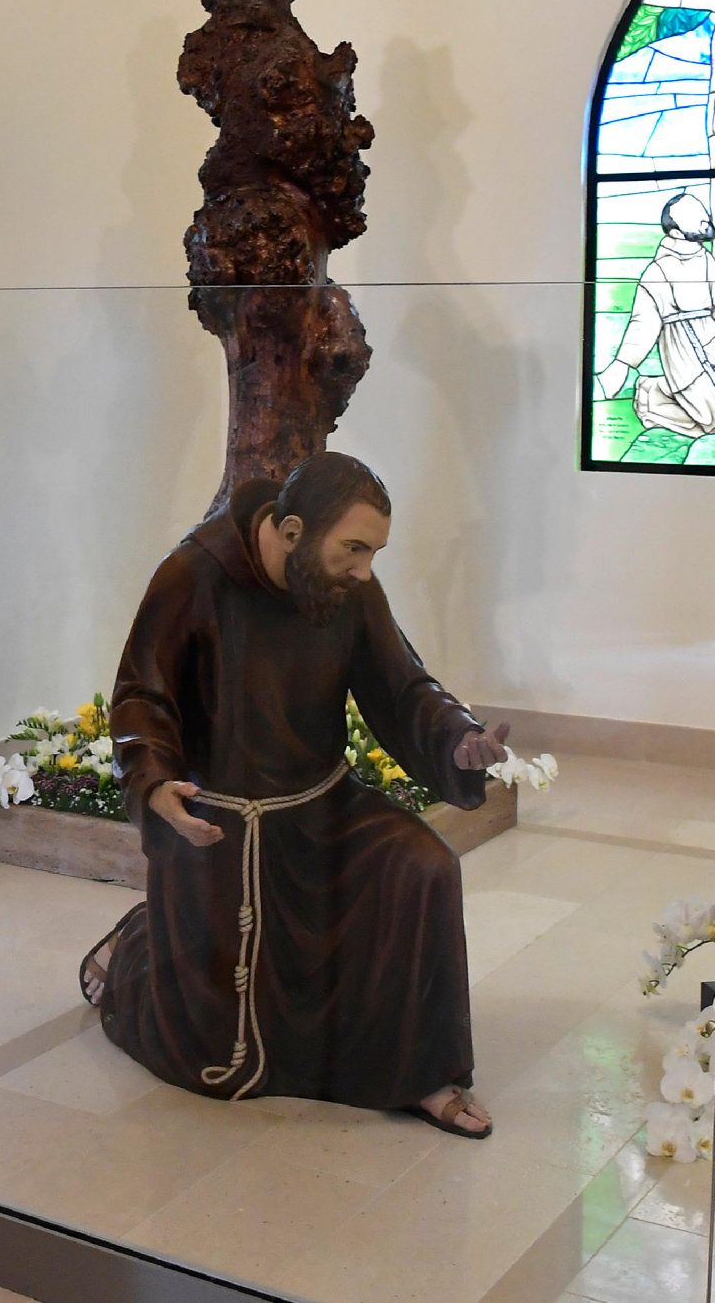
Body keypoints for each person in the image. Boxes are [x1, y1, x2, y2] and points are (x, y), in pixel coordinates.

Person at [83, 453, 512, 1138]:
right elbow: (141, 696)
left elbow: (402, 686)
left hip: (321, 805)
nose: (365, 569)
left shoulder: (346, 590)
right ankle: (138, 947)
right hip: (218, 823)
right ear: (290, 530)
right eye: (354, 547)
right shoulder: (193, 575)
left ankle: (423, 1072)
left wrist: (457, 738)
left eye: (373, 551)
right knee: (204, 1049)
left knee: (424, 866)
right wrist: (156, 781)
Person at [597, 191, 715, 442]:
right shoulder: (658, 271)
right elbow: (643, 324)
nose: (705, 220)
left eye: (702, 214)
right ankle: (652, 395)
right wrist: (622, 366)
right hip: (684, 349)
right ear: (674, 232)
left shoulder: (706, 258)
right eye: (695, 218)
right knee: (714, 422)